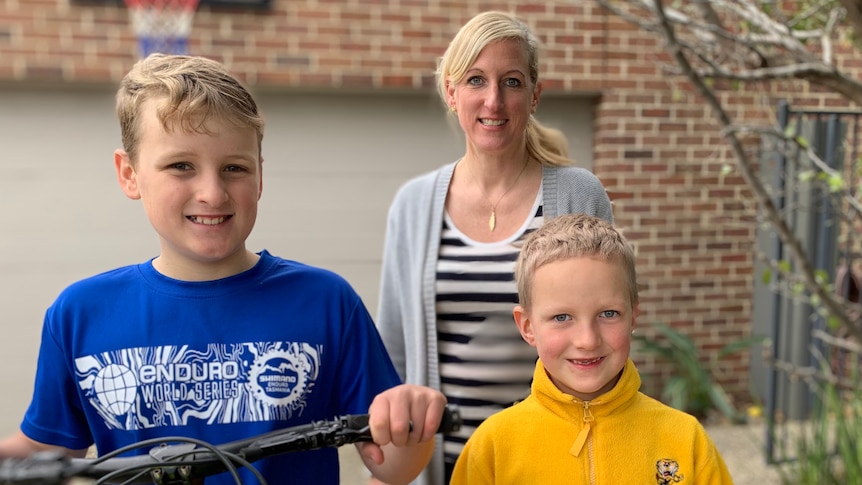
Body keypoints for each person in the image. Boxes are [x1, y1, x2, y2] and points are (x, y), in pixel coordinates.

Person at [0, 53, 446, 485]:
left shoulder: (325, 301)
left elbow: (394, 466)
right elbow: (44, 453)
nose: (212, 193)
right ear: (129, 173)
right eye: (181, 166)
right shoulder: (80, 314)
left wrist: (410, 420)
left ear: (260, 176)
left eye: (234, 167)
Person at [375, 10, 614, 484]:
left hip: (552, 461)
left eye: (511, 81)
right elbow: (394, 353)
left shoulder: (578, 196)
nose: (494, 100)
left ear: (535, 94)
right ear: (451, 92)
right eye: (476, 80)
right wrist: (390, 466)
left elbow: (607, 333)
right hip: (445, 466)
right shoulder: (414, 204)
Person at [449, 213, 734, 484]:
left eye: (608, 314)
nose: (587, 340)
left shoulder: (686, 440)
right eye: (562, 317)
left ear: (633, 316)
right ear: (527, 326)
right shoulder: (492, 447)